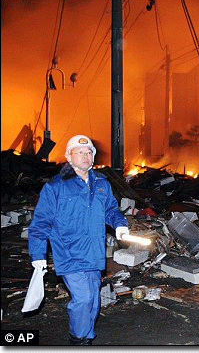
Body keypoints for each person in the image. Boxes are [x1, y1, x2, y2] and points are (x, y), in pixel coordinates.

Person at [28, 135, 129, 345]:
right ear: (68, 156)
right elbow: (40, 223)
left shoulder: (102, 184)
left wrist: (119, 224)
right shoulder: (56, 187)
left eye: (89, 152)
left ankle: (86, 338)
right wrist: (37, 254)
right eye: (80, 152)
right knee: (83, 299)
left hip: (94, 253)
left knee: (93, 300)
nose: (86, 156)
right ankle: (79, 340)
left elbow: (111, 209)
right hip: (69, 253)